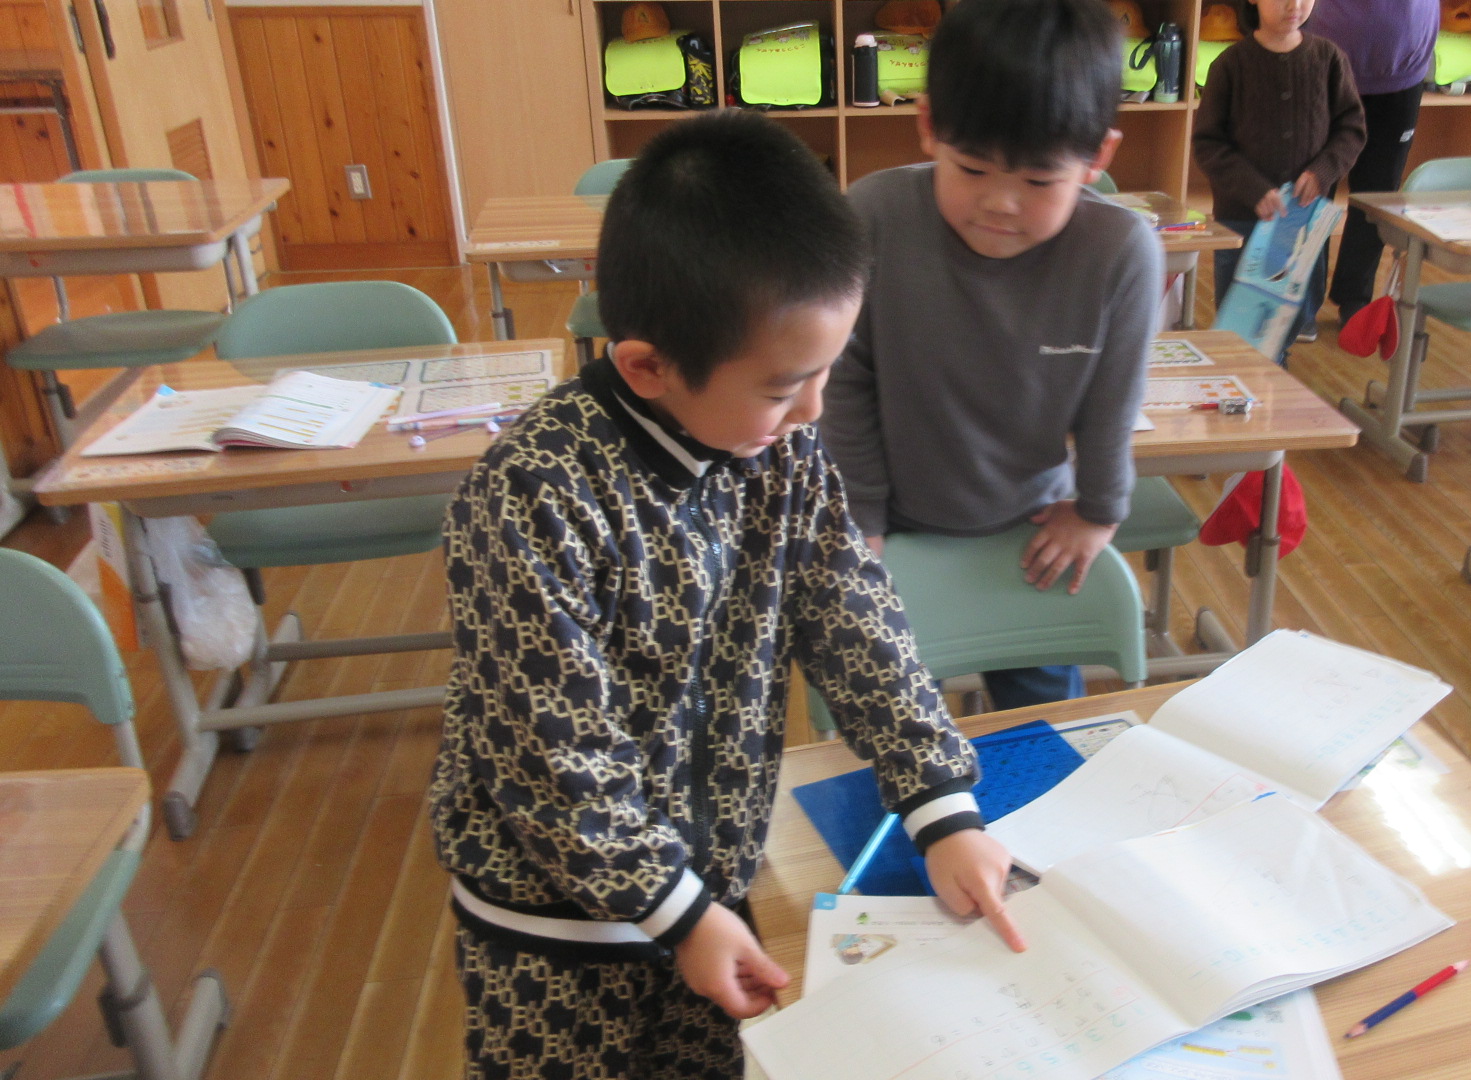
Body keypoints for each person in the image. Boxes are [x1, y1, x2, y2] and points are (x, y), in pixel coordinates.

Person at [430, 111, 1024, 1080]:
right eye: (785, 386)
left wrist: (940, 805)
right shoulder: (532, 495)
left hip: (712, 885)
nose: (814, 410)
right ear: (646, 366)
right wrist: (677, 913)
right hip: (558, 930)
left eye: (827, 372)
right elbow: (554, 757)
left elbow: (854, 617)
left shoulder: (777, 448)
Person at [821, 0, 1163, 711]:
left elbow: (1113, 403)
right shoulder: (874, 216)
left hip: (1031, 531)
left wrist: (1099, 510)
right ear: (928, 125)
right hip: (897, 527)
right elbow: (845, 383)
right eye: (972, 168)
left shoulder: (1120, 253)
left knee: (1045, 722)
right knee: (893, 716)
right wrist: (864, 523)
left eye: (1039, 182)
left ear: (1098, 157)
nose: (1001, 203)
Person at [1192, 0, 1365, 361]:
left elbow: (1351, 129)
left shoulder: (1329, 58)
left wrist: (1323, 172)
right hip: (1241, 221)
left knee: (1285, 329)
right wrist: (1253, 189)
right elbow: (1208, 143)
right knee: (1240, 333)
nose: (1294, 5)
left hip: (1301, 225)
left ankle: (1275, 385)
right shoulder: (1229, 65)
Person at [1306, 0, 1438, 330]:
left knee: (1377, 194)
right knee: (1312, 188)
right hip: (1321, 62)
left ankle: (1355, 297)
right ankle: (1302, 300)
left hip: (1403, 68)